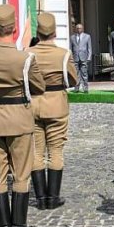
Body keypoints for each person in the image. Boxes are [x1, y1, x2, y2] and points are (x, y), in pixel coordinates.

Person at [0, 4, 46, 227]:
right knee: (21, 174)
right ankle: (19, 226)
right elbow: (39, 87)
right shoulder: (25, 58)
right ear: (15, 28)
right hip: (19, 117)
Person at [30, 12, 78, 210]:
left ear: (38, 32)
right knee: (56, 151)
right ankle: (53, 197)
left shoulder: (27, 52)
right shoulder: (63, 54)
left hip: (33, 104)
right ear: (54, 32)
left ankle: (40, 197)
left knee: (36, 152)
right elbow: (73, 80)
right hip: (56, 103)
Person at [70, 23, 92, 93]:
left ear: (82, 29)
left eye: (80, 28)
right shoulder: (72, 37)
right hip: (75, 58)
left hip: (84, 57)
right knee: (76, 74)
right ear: (75, 29)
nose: (79, 29)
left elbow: (89, 48)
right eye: (77, 28)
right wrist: (71, 58)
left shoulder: (87, 36)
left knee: (84, 73)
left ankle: (85, 88)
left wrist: (89, 57)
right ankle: (76, 87)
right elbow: (70, 48)